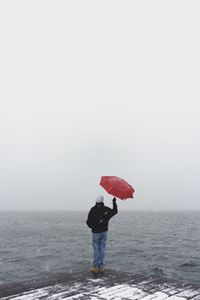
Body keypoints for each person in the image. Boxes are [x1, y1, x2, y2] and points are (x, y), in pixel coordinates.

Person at [86, 194, 118, 274]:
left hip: (96, 233)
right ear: (102, 201)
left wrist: (93, 226)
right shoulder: (106, 209)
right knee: (102, 249)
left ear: (96, 201)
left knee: (96, 249)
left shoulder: (93, 210)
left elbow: (88, 222)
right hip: (104, 232)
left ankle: (95, 267)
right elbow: (115, 211)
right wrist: (114, 202)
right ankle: (101, 267)